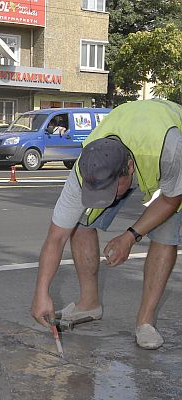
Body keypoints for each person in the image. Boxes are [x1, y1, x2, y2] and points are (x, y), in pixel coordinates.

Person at [31, 99, 182, 350]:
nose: (107, 200)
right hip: (132, 146)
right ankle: (89, 303)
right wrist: (41, 291)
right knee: (79, 223)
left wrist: (130, 236)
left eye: (111, 191)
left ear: (129, 170)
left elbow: (171, 199)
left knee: (165, 232)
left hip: (168, 161)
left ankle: (145, 321)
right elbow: (56, 237)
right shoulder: (86, 165)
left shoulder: (170, 149)